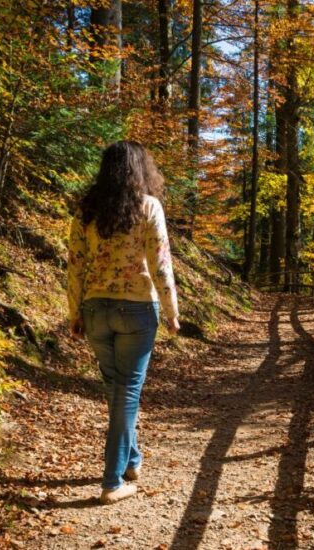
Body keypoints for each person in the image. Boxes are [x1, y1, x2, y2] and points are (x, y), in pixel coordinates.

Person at [67, 141, 180, 505]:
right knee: (126, 392)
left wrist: (74, 312)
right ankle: (112, 481)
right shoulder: (149, 206)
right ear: (140, 171)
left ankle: (131, 461)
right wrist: (172, 310)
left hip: (96, 310)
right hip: (136, 311)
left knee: (118, 390)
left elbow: (75, 265)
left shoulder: (86, 211)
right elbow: (160, 262)